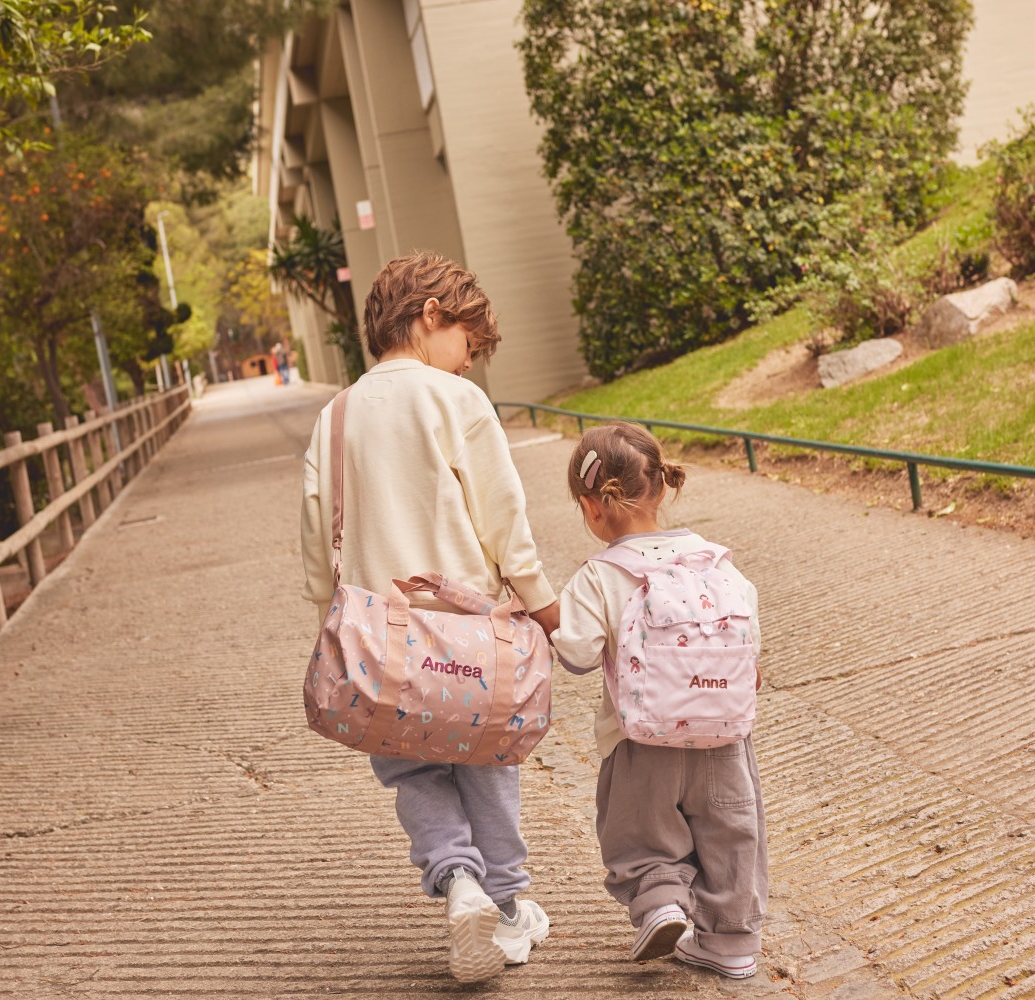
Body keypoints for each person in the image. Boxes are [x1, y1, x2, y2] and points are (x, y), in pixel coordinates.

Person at [300, 250, 560, 983]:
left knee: (412, 767)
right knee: (487, 759)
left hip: (378, 641)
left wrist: (328, 616)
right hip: (468, 638)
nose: (469, 363)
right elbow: (503, 517)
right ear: (431, 316)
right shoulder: (456, 401)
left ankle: (458, 881)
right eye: (467, 345)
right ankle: (507, 908)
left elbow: (318, 531)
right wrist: (542, 603)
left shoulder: (334, 415)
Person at [550, 422, 768, 979]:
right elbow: (751, 643)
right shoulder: (718, 563)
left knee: (639, 832)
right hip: (723, 737)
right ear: (663, 486)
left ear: (591, 507)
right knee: (731, 832)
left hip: (639, 739)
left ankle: (660, 901)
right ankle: (731, 942)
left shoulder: (600, 575)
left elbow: (575, 653)